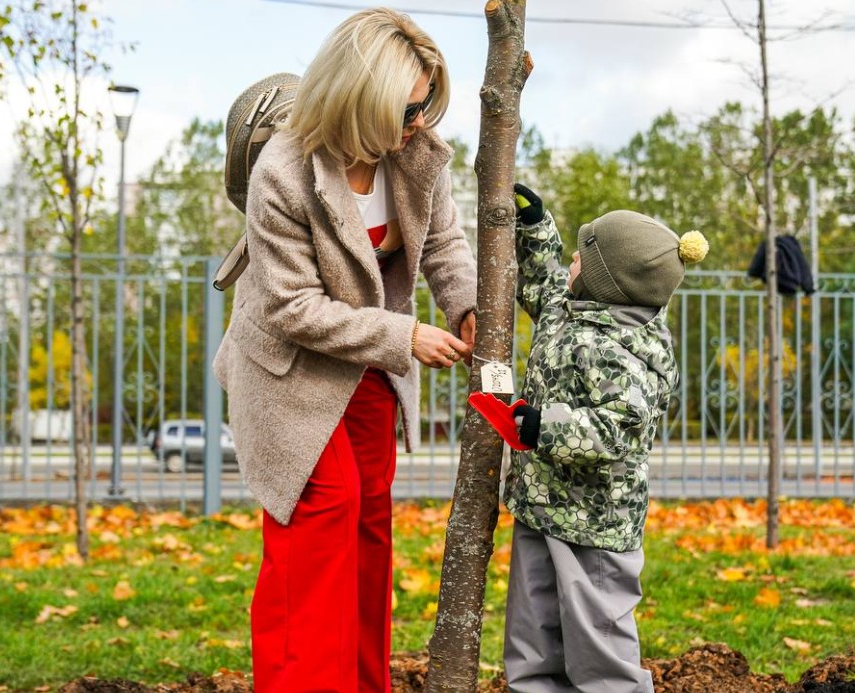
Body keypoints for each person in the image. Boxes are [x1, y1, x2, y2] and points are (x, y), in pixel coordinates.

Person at [211, 8, 477, 692]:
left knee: (369, 522)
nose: (421, 121)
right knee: (324, 514)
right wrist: (405, 336)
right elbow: (291, 308)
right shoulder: (285, 170)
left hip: (367, 367)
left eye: (429, 104)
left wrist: (465, 303)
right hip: (292, 370)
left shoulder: (416, 154)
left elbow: (443, 241)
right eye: (410, 107)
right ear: (363, 99)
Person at [473, 184, 708, 692]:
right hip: (542, 508)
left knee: (598, 648)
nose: (573, 257)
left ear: (609, 282)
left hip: (595, 528)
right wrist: (535, 226)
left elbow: (616, 429)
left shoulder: (627, 353)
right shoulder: (571, 305)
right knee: (533, 636)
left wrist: (543, 426)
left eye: (586, 254)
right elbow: (540, 281)